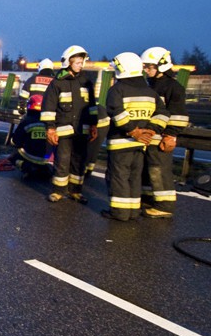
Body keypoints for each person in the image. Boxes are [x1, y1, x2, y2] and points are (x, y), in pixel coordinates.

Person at [103, 52, 168, 221]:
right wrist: (151, 130)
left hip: (121, 142)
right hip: (141, 144)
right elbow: (162, 113)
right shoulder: (150, 92)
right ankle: (132, 212)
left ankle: (120, 213)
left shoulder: (117, 89)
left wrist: (133, 131)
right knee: (134, 177)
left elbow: (115, 111)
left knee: (118, 177)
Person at [41, 45, 98, 204]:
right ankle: (58, 191)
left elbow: (92, 106)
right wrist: (50, 128)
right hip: (63, 130)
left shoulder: (86, 82)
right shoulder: (57, 83)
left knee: (79, 161)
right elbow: (48, 107)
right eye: (78, 62)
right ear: (68, 62)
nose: (81, 65)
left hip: (82, 129)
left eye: (82, 62)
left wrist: (94, 125)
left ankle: (76, 191)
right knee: (63, 160)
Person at [141, 47, 190, 218]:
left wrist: (171, 135)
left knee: (159, 170)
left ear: (161, 65)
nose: (146, 70)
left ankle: (165, 206)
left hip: (161, 137)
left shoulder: (173, 87)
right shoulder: (151, 84)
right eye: (145, 67)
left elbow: (179, 116)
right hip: (149, 136)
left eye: (149, 67)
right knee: (147, 169)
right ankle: (148, 197)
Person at [9, 94, 52, 180]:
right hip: (47, 159)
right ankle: (44, 170)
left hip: (30, 156)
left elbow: (16, 141)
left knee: (13, 158)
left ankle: (27, 168)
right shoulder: (50, 123)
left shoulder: (26, 121)